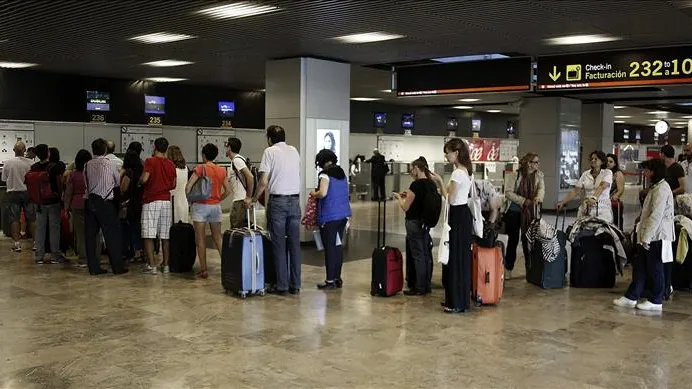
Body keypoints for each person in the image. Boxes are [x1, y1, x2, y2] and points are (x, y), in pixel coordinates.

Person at [613, 158, 673, 312]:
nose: (645, 173)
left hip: (656, 236)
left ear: (654, 172)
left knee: (655, 268)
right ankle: (631, 296)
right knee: (640, 267)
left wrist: (646, 237)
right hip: (648, 235)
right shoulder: (656, 187)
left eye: (647, 170)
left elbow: (656, 215)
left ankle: (656, 299)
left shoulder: (662, 189)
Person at [255, 125, 302, 295]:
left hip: (278, 202)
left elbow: (263, 181)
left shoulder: (270, 152)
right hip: (295, 201)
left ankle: (281, 285)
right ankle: (295, 284)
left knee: (279, 244)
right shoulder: (294, 150)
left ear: (269, 138)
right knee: (294, 245)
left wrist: (254, 198)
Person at [393, 156, 437, 296]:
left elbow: (406, 207)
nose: (411, 172)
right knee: (425, 254)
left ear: (417, 169)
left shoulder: (415, 185)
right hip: (425, 223)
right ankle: (426, 284)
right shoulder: (431, 184)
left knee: (417, 255)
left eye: (411, 169)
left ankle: (419, 287)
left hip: (414, 223)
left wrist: (399, 198)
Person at [83, 138, 128, 275]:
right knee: (112, 236)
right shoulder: (110, 165)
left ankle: (93, 268)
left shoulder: (87, 165)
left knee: (91, 236)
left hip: (90, 202)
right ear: (105, 150)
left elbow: (86, 183)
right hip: (106, 203)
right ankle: (117, 267)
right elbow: (116, 182)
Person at [186, 143, 231, 279]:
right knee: (218, 237)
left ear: (203, 155)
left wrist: (190, 199)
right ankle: (228, 266)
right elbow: (228, 190)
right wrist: (218, 199)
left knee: (200, 239)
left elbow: (188, 187)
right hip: (215, 207)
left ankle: (203, 270)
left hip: (200, 206)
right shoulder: (222, 170)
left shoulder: (200, 168)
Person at [310, 149, 351, 290]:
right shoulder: (341, 173)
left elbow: (323, 193)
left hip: (329, 217)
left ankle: (330, 280)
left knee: (330, 249)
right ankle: (338, 278)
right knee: (338, 248)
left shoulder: (325, 175)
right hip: (343, 216)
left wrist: (313, 193)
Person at [441, 138, 473, 313]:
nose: (446, 156)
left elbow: (450, 198)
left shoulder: (457, 173)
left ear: (456, 153)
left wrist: (439, 181)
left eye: (448, 152)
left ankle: (455, 301)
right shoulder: (465, 171)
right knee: (460, 258)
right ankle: (458, 299)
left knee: (455, 258)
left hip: (457, 215)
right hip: (463, 215)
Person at [504, 152, 545, 280]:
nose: (537, 164)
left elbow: (541, 189)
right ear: (528, 163)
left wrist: (538, 198)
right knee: (513, 240)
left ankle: (530, 269)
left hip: (531, 212)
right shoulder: (514, 174)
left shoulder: (539, 175)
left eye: (537, 162)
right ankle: (508, 269)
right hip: (514, 211)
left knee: (529, 240)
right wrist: (523, 201)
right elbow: (508, 193)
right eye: (535, 162)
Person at [140, 137, 177, 275]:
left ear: (155, 147)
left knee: (149, 234)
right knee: (165, 235)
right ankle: (166, 265)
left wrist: (141, 181)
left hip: (151, 200)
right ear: (166, 148)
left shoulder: (150, 161)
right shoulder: (171, 164)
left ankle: (152, 265)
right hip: (166, 201)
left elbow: (145, 179)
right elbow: (173, 184)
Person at [29, 144, 66, 264]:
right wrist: (60, 195)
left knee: (40, 228)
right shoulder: (55, 167)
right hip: (53, 200)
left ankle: (39, 255)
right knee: (54, 228)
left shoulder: (33, 167)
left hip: (39, 202)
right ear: (48, 154)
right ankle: (55, 255)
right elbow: (59, 182)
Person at [557, 150, 613, 223]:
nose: (593, 160)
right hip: (586, 207)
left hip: (602, 207)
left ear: (602, 161)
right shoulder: (585, 174)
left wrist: (594, 198)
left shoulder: (607, 172)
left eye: (596, 159)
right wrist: (563, 202)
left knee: (600, 229)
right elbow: (575, 190)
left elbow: (602, 186)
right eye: (591, 159)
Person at [3, 141, 36, 252]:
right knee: (31, 219)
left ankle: (17, 244)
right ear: (25, 150)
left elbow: (4, 179)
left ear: (13, 150)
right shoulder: (31, 163)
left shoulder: (7, 163)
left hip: (13, 193)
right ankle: (36, 243)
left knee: (14, 219)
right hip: (28, 193)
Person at [64, 149, 92, 267]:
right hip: (91, 204)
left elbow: (68, 193)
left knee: (80, 234)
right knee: (92, 232)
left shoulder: (73, 175)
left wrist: (66, 208)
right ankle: (94, 256)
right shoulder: (91, 174)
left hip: (77, 204)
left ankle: (83, 258)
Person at [120, 150, 145, 261]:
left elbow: (123, 188)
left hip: (130, 203)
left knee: (129, 227)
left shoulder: (129, 172)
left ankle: (133, 252)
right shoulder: (143, 170)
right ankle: (141, 251)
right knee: (139, 228)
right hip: (142, 202)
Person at [225, 137, 254, 228]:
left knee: (237, 230)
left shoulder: (236, 160)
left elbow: (250, 176)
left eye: (226, 146)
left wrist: (248, 197)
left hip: (240, 201)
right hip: (242, 200)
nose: (225, 149)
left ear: (229, 148)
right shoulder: (239, 159)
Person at [167, 146, 189, 224]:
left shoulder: (171, 169)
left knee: (173, 229)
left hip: (173, 201)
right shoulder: (186, 168)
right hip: (184, 201)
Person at [607, 153, 626, 231]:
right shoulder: (604, 173)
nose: (608, 163)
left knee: (615, 226)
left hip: (613, 204)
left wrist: (615, 196)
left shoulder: (618, 174)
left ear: (615, 164)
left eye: (611, 162)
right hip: (603, 203)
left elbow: (620, 189)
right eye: (607, 161)